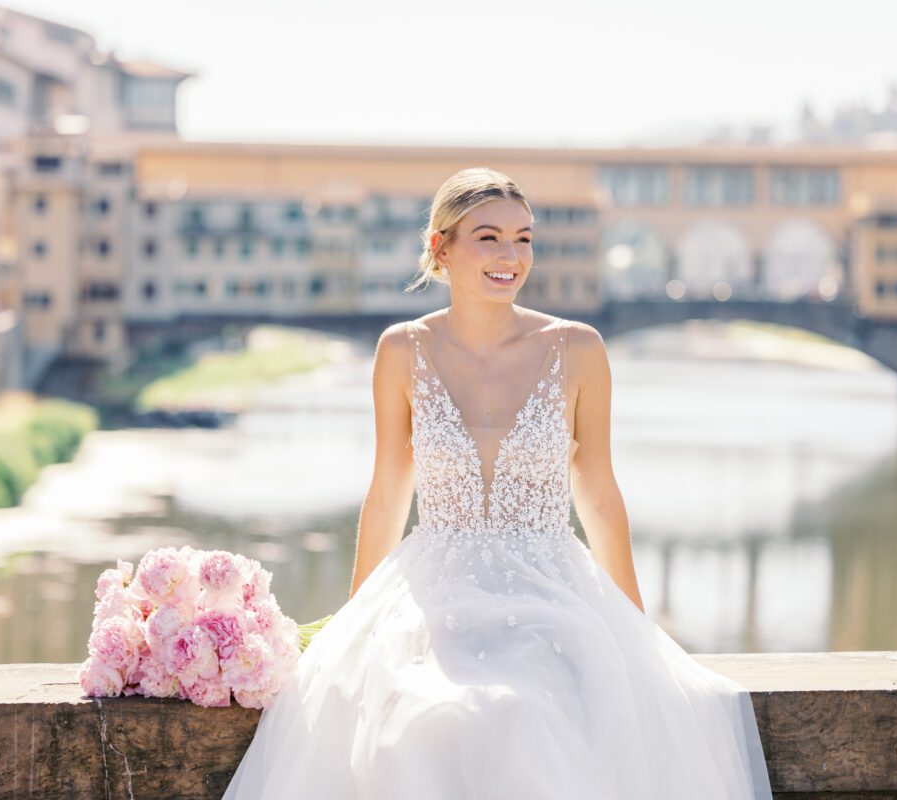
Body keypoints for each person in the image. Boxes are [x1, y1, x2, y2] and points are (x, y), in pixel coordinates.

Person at [221, 167, 774, 798]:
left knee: (527, 714)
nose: (511, 257)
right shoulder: (401, 350)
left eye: (524, 239)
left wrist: (635, 633)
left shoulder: (579, 348)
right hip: (434, 586)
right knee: (422, 713)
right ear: (441, 247)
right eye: (489, 238)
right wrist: (349, 628)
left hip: (550, 587)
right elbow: (386, 497)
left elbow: (598, 495)